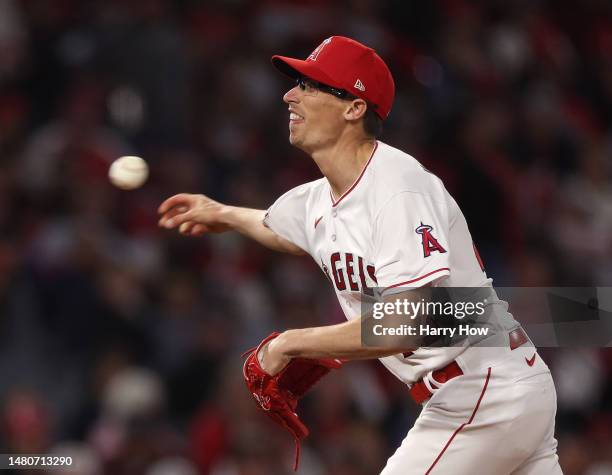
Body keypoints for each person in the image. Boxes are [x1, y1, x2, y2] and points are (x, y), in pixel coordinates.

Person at [158, 36, 563, 474]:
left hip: (483, 389)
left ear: (354, 107)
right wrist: (223, 214)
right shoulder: (319, 198)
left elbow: (405, 326)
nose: (290, 94)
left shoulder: (397, 188)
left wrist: (290, 343)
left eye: (311, 86)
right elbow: (279, 227)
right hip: (503, 386)